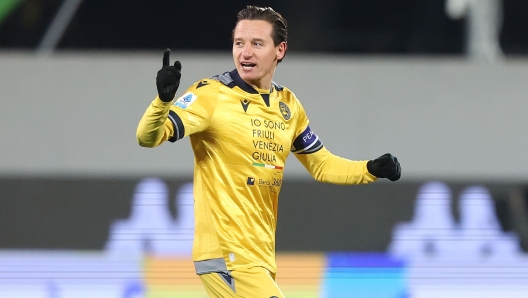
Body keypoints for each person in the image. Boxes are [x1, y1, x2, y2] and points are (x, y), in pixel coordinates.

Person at [136, 5, 401, 298]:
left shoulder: (287, 105)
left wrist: (370, 169)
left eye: (256, 44)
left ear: (280, 49)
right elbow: (148, 137)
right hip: (227, 256)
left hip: (260, 258)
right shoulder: (209, 95)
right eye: (239, 43)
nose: (245, 53)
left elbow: (322, 165)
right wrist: (162, 102)